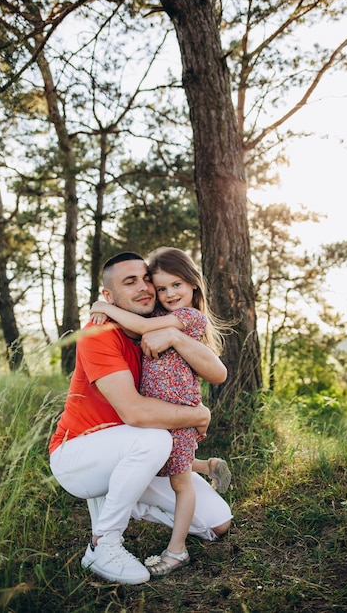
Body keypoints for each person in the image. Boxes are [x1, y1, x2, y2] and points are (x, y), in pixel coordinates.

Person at [49, 251, 232, 585]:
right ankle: (102, 544)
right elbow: (134, 412)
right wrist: (197, 413)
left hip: (136, 449)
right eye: (129, 282)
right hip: (80, 454)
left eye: (147, 278)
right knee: (154, 438)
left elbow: (218, 371)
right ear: (108, 296)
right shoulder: (99, 335)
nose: (145, 287)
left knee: (216, 524)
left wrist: (175, 336)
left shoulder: (164, 322)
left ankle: (127, 500)